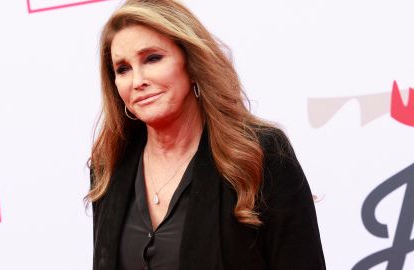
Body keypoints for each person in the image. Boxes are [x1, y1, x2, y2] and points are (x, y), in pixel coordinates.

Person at [86, 0, 326, 269]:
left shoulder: (258, 153)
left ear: (190, 63)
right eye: (123, 69)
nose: (137, 80)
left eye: (152, 58)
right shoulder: (109, 165)